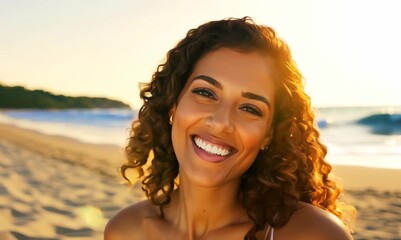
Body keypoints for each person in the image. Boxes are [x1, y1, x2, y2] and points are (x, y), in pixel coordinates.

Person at [104, 17, 354, 240]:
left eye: (250, 108)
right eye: (205, 92)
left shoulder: (314, 235)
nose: (221, 122)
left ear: (269, 134)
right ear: (173, 105)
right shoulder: (125, 231)